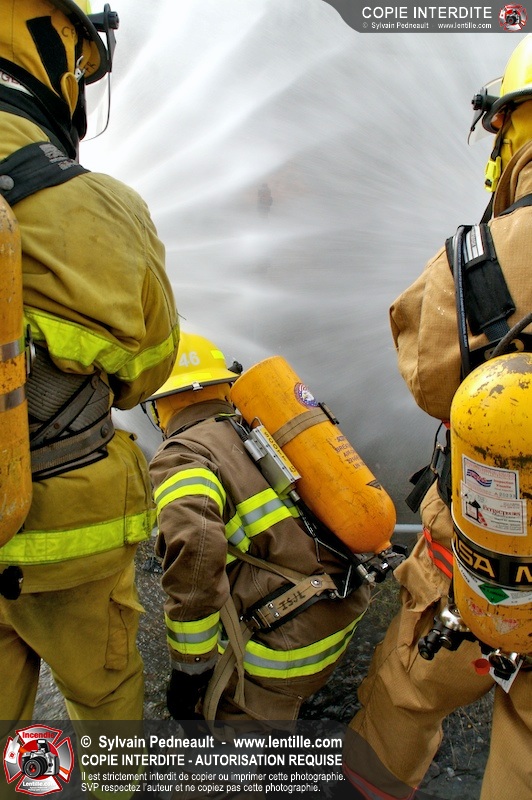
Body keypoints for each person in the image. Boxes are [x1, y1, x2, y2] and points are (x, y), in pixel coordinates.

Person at [343, 36, 532, 800]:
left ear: (510, 125)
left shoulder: (482, 256)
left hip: (479, 550)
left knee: (407, 686)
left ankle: (368, 785)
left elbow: (428, 380)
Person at [0, 0, 179, 724]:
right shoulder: (103, 206)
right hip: (68, 534)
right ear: (56, 51)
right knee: (103, 695)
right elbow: (148, 371)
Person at [147, 331, 371, 723]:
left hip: (285, 653)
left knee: (216, 733)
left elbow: (195, 555)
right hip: (345, 604)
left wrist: (190, 672)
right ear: (223, 386)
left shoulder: (179, 457)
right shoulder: (256, 429)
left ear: (157, 406)